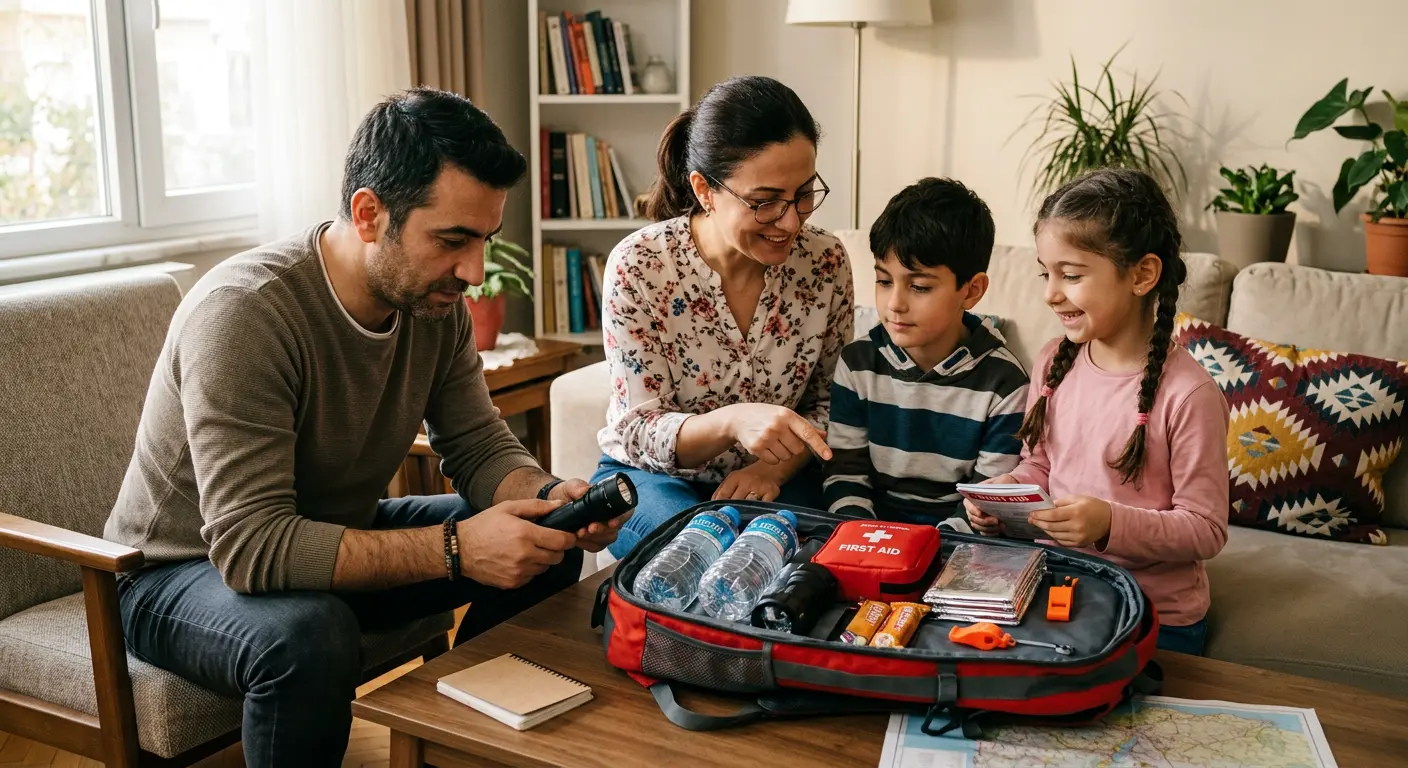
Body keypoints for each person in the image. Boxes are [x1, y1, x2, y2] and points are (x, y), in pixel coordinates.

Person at [103, 88, 627, 767]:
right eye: (452, 240)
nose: (474, 271)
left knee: (543, 540)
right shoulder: (246, 315)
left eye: (484, 241)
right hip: (176, 572)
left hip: (324, 532)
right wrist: (456, 550)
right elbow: (253, 547)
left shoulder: (434, 306)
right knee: (308, 633)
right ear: (369, 213)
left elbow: (477, 443)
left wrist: (547, 494)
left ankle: (451, 750)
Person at [965, 168, 1229, 656]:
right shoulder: (1053, 359)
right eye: (1046, 273)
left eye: (1071, 275)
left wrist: (1110, 523)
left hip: (1151, 614)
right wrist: (1005, 496)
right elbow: (1040, 465)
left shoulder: (1190, 396)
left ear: (1142, 275)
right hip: (1058, 590)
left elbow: (1206, 529)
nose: (1050, 293)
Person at [595, 75, 854, 558]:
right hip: (653, 479)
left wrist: (771, 470)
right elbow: (638, 428)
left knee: (803, 561)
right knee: (695, 553)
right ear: (705, 190)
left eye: (803, 194)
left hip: (778, 477)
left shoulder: (825, 261)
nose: (792, 221)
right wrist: (732, 421)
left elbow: (832, 403)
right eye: (765, 202)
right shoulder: (641, 265)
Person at [823, 178, 1028, 525]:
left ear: (972, 290)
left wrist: (930, 546)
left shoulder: (1005, 384)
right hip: (868, 529)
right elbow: (844, 474)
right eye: (884, 281)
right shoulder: (858, 363)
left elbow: (985, 499)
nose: (895, 304)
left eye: (919, 286)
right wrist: (863, 535)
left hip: (954, 539)